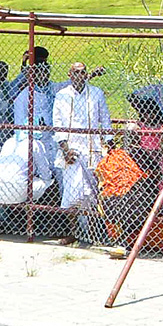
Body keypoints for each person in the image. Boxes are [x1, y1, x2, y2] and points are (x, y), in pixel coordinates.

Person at [52, 63, 111, 244]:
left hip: (91, 149)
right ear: (70, 74)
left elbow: (105, 120)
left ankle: (92, 234)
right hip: (70, 150)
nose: (80, 75)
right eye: (76, 72)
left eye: (83, 72)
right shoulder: (62, 95)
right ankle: (74, 232)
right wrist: (65, 150)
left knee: (90, 193)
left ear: (86, 74)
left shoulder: (96, 93)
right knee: (71, 194)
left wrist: (109, 144)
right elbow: (58, 122)